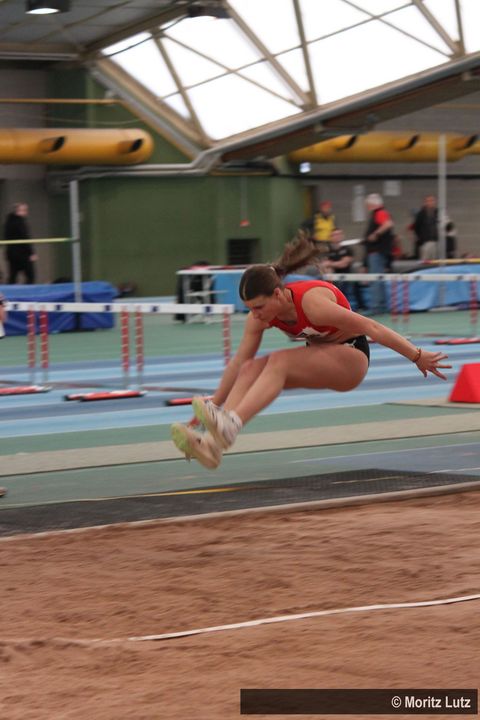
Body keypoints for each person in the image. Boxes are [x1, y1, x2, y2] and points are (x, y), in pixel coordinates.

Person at [171, 234, 450, 469]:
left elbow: (372, 327)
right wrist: (211, 409)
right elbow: (238, 363)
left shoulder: (313, 304)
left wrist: (417, 356)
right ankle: (212, 444)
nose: (255, 315)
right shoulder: (259, 318)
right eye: (250, 309)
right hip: (321, 356)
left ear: (278, 294)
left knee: (278, 361)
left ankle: (231, 426)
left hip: (351, 356)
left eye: (259, 307)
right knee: (250, 368)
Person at [363, 193, 394, 315]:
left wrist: (375, 234)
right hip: (379, 252)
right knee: (379, 279)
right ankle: (381, 306)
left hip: (377, 252)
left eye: (367, 205)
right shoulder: (379, 213)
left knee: (375, 279)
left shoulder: (379, 212)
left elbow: (388, 224)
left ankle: (376, 307)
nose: (366, 207)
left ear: (372, 204)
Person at [3, 203, 37, 284]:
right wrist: (31, 253)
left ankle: (10, 290)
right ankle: (29, 291)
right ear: (19, 211)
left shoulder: (8, 222)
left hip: (11, 253)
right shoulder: (19, 222)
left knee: (13, 276)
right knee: (30, 275)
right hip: (22, 253)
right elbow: (25, 237)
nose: (26, 212)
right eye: (24, 210)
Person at [412, 195, 438, 261]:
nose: (431, 202)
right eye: (428, 201)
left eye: (432, 201)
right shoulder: (421, 214)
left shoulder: (437, 212)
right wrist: (420, 237)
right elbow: (416, 227)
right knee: (425, 260)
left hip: (435, 240)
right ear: (425, 203)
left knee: (434, 260)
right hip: (425, 241)